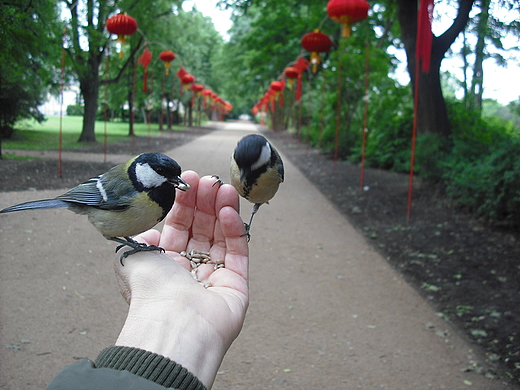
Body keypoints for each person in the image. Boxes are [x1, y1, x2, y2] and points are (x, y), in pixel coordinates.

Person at [45, 172, 249, 390]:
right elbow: (95, 193)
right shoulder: (131, 190)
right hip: (96, 206)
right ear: (145, 172)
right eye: (166, 175)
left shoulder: (156, 190)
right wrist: (136, 246)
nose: (173, 181)